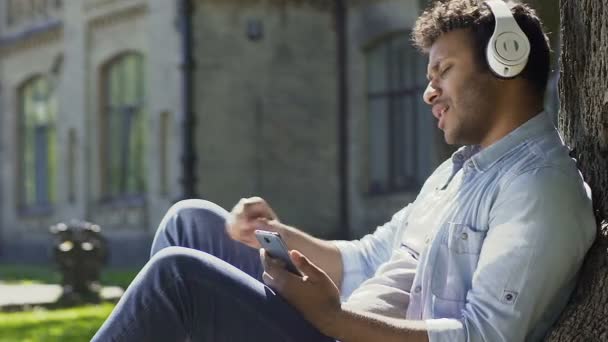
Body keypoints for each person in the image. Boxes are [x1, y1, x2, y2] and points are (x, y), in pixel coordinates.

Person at [92, 1, 597, 341]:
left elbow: (483, 336)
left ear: (507, 62)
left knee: (176, 276)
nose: (428, 93)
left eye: (443, 71)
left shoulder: (539, 188)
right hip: (334, 320)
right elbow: (363, 257)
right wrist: (274, 234)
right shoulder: (458, 173)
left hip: (339, 329)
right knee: (192, 220)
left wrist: (331, 316)